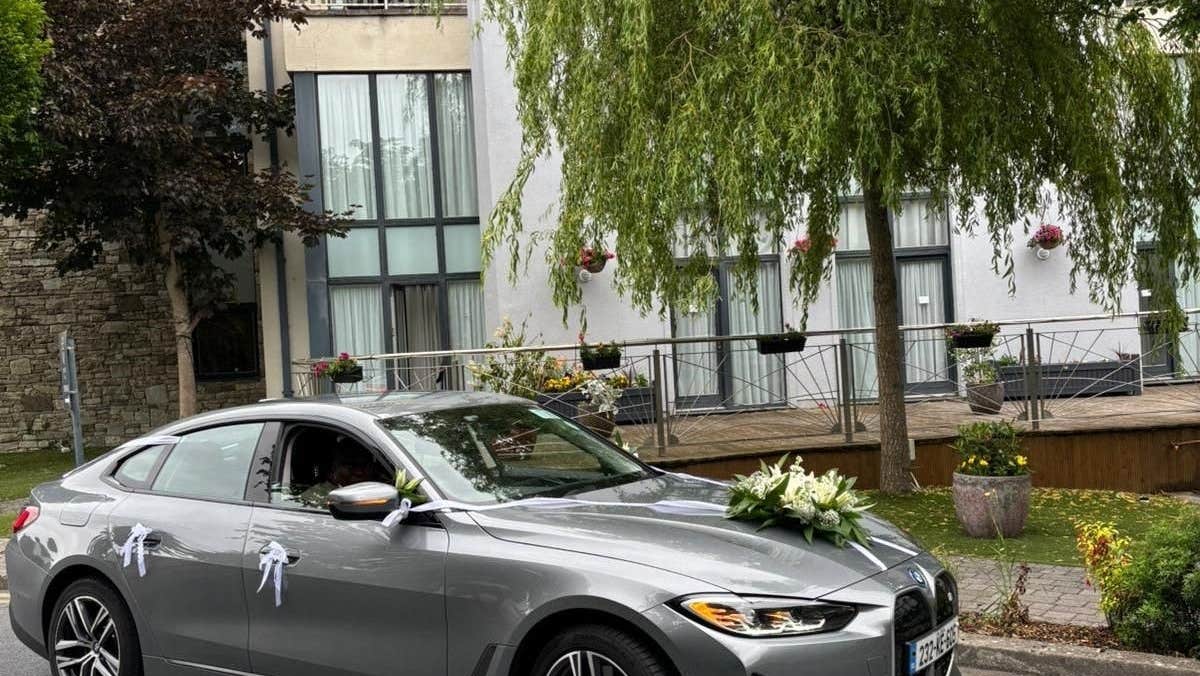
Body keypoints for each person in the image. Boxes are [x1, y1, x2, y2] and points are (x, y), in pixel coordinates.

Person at [297, 438, 384, 507]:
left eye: (364, 465)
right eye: (351, 466)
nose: (359, 472)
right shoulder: (315, 498)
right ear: (333, 469)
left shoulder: (383, 489)